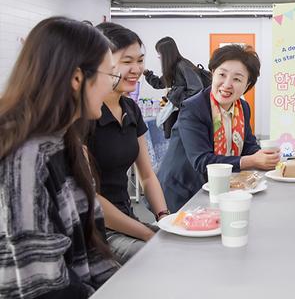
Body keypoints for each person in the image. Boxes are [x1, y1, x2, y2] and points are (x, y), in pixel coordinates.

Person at [0, 17, 117, 298]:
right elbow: (42, 286)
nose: (111, 87)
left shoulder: (62, 142)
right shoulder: (24, 159)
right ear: (77, 78)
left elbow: (92, 252)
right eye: (109, 75)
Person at [158, 44, 279, 212]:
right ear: (213, 73)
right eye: (222, 74)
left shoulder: (242, 107)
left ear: (247, 84)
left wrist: (266, 156)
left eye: (237, 79)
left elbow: (248, 145)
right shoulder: (193, 108)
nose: (227, 84)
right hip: (183, 193)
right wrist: (252, 161)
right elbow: (202, 160)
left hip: (218, 188)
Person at [86, 22, 170, 265]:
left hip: (126, 217)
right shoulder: (86, 114)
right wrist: (147, 233)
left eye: (140, 60)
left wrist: (164, 217)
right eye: (126, 61)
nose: (136, 69)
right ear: (102, 63)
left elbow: (147, 175)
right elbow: (90, 198)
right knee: (158, 259)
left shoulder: (130, 108)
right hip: (96, 227)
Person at [143, 36, 209, 138]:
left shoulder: (183, 65)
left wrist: (174, 94)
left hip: (188, 114)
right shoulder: (172, 68)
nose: (159, 56)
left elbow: (196, 89)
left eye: (159, 53)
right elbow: (159, 84)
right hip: (181, 112)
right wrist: (147, 74)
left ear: (166, 53)